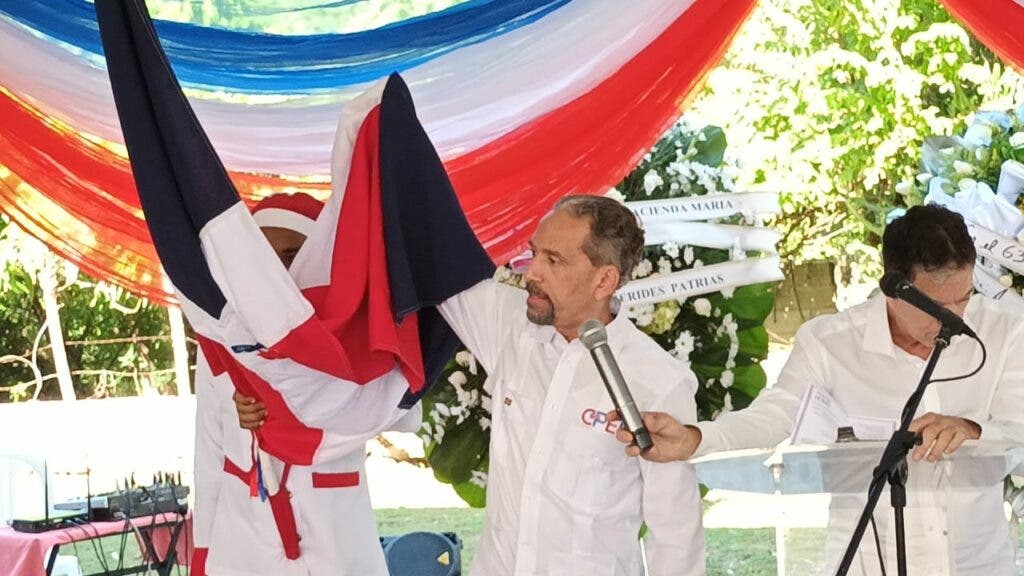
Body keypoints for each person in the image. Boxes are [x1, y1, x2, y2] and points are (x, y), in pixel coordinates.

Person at [238, 194, 707, 575]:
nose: (531, 273)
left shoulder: (656, 381)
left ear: (604, 280)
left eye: (554, 260)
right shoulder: (509, 326)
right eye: (535, 252)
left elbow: (675, 536)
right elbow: (428, 253)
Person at [613, 204, 1024, 575]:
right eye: (937, 306)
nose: (955, 317)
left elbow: (1019, 425)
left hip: (978, 562)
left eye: (965, 298)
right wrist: (695, 438)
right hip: (865, 560)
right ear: (893, 289)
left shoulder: (1004, 331)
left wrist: (972, 429)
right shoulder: (831, 342)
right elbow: (774, 417)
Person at [192, 192, 421, 576]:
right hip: (245, 546)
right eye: (266, 258)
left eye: (292, 254)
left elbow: (405, 413)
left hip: (338, 545)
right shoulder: (221, 338)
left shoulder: (354, 336)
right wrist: (202, 552)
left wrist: (295, 408)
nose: (279, 273)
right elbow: (209, 452)